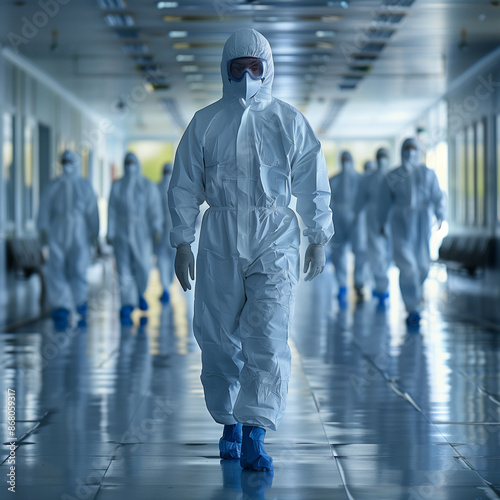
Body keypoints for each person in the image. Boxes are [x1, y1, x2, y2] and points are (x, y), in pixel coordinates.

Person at [168, 28, 333, 471]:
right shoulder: (205, 122)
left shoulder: (288, 120)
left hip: (275, 235)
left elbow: (313, 183)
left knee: (268, 334)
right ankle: (230, 422)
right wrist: (182, 240)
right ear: (224, 70)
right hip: (219, 234)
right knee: (219, 336)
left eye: (254, 68)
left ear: (268, 69)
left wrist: (319, 235)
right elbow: (184, 184)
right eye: (237, 69)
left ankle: (256, 430)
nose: (246, 77)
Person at [378, 138, 444, 327]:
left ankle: (416, 293)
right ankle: (412, 308)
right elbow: (383, 202)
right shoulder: (392, 176)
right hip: (399, 222)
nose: (410, 152)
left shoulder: (428, 174)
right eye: (407, 148)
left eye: (414, 148)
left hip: (422, 222)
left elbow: (437, 196)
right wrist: (382, 223)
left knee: (423, 266)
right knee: (407, 266)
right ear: (401, 151)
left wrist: (440, 215)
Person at [37, 150, 99, 327]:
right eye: (64, 161)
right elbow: (44, 211)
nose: (66, 165)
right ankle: (61, 306)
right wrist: (44, 234)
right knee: (56, 268)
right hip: (57, 230)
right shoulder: (52, 187)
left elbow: (92, 211)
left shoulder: (84, 186)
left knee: (79, 267)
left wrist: (95, 233)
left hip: (79, 231)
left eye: (69, 161)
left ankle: (80, 303)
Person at [107, 152, 163, 325]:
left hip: (142, 233)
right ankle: (127, 304)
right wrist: (110, 231)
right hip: (122, 233)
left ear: (137, 164)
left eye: (132, 162)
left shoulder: (147, 186)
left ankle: (140, 293)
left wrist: (156, 227)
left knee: (143, 266)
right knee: (123, 269)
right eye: (127, 163)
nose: (130, 166)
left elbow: (155, 209)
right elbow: (112, 211)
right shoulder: (117, 186)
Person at [354, 148, 392, 308]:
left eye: (384, 156)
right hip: (372, 217)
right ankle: (381, 287)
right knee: (376, 252)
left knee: (388, 253)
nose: (382, 160)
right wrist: (355, 215)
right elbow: (360, 199)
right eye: (380, 156)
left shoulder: (394, 176)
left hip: (391, 217)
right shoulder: (369, 179)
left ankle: (381, 284)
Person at [328, 151, 366, 308]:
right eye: (343, 159)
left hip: (357, 218)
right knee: (338, 252)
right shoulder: (333, 180)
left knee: (360, 251)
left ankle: (359, 282)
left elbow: (365, 199)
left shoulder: (360, 179)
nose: (345, 162)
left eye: (347, 159)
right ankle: (342, 284)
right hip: (338, 218)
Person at [156, 163, 175, 304]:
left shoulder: (156, 188)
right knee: (164, 261)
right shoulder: (179, 188)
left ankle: (167, 287)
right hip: (167, 231)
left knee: (167, 261)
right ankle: (166, 288)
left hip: (167, 231)